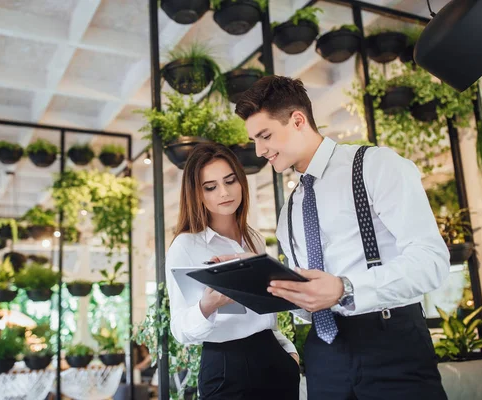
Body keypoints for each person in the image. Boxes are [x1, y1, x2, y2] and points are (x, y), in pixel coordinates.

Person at [212, 75, 450, 400]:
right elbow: (308, 302)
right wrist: (260, 280)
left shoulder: (375, 167)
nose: (259, 150)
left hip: (391, 343)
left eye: (265, 135)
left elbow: (431, 262)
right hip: (324, 355)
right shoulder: (290, 212)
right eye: (254, 139)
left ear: (298, 120)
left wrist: (344, 288)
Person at [165, 142, 300, 400]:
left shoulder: (254, 240)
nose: (224, 192)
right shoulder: (186, 245)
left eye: (230, 181)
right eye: (211, 187)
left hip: (274, 359)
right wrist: (207, 305)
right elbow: (179, 330)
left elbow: (265, 310)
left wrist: (288, 352)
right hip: (226, 367)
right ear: (196, 193)